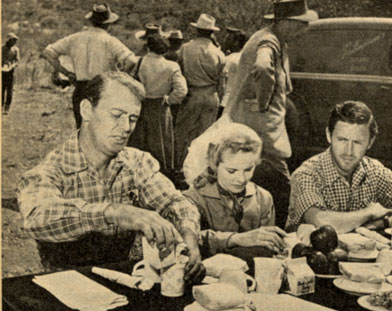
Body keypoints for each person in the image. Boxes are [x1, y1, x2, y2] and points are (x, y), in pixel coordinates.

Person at [17, 72, 204, 282]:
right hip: (64, 287)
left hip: (119, 282)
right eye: (116, 115)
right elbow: (37, 218)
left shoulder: (136, 163)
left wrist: (188, 234)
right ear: (86, 110)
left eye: (132, 118)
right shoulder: (50, 171)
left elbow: (175, 202)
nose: (126, 128)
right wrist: (113, 212)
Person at [223, 0, 318, 229]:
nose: (303, 30)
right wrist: (263, 101)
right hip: (262, 128)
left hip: (259, 126)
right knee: (282, 181)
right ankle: (288, 226)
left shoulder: (271, 37)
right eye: (300, 24)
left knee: (250, 176)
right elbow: (264, 67)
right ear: (286, 23)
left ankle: (256, 222)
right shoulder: (269, 41)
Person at [183, 123, 287, 261]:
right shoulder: (193, 198)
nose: (241, 179)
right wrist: (235, 239)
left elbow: (266, 251)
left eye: (248, 170)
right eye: (231, 171)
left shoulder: (263, 198)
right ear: (215, 165)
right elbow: (189, 240)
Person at [285, 101, 392, 233]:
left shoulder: (375, 171)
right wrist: (369, 213)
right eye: (342, 140)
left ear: (370, 142)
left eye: (357, 142)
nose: (349, 151)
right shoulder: (306, 174)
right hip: (309, 252)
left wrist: (382, 222)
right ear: (329, 135)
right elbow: (321, 222)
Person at [42, 3, 137, 129]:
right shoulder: (110, 41)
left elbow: (48, 52)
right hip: (102, 88)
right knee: (102, 129)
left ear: (92, 21)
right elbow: (132, 61)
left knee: (82, 129)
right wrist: (117, 77)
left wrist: (66, 73)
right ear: (108, 24)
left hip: (80, 87)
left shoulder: (74, 38)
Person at [129, 34, 187, 176]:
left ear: (148, 47)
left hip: (142, 105)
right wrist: (169, 100)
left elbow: (130, 83)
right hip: (161, 107)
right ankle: (161, 172)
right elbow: (182, 90)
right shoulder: (171, 66)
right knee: (160, 141)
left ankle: (138, 170)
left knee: (140, 140)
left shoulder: (140, 62)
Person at [175, 13, 226, 171]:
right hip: (211, 95)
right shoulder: (218, 53)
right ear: (211, 32)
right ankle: (202, 169)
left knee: (183, 133)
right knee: (206, 135)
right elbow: (221, 82)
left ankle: (180, 168)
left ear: (197, 30)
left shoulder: (186, 49)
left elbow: (180, 71)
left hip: (192, 94)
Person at [219, 28, 248, 118]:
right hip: (241, 103)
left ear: (236, 43)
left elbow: (222, 83)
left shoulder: (229, 59)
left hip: (226, 102)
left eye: (229, 40)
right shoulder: (248, 58)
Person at [2, 32, 20, 115]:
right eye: (13, 40)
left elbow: (17, 60)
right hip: (2, 72)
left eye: (15, 40)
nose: (14, 42)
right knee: (1, 89)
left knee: (9, 90)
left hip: (10, 72)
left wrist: (13, 65)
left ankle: (7, 107)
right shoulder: (2, 48)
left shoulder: (16, 50)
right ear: (9, 40)